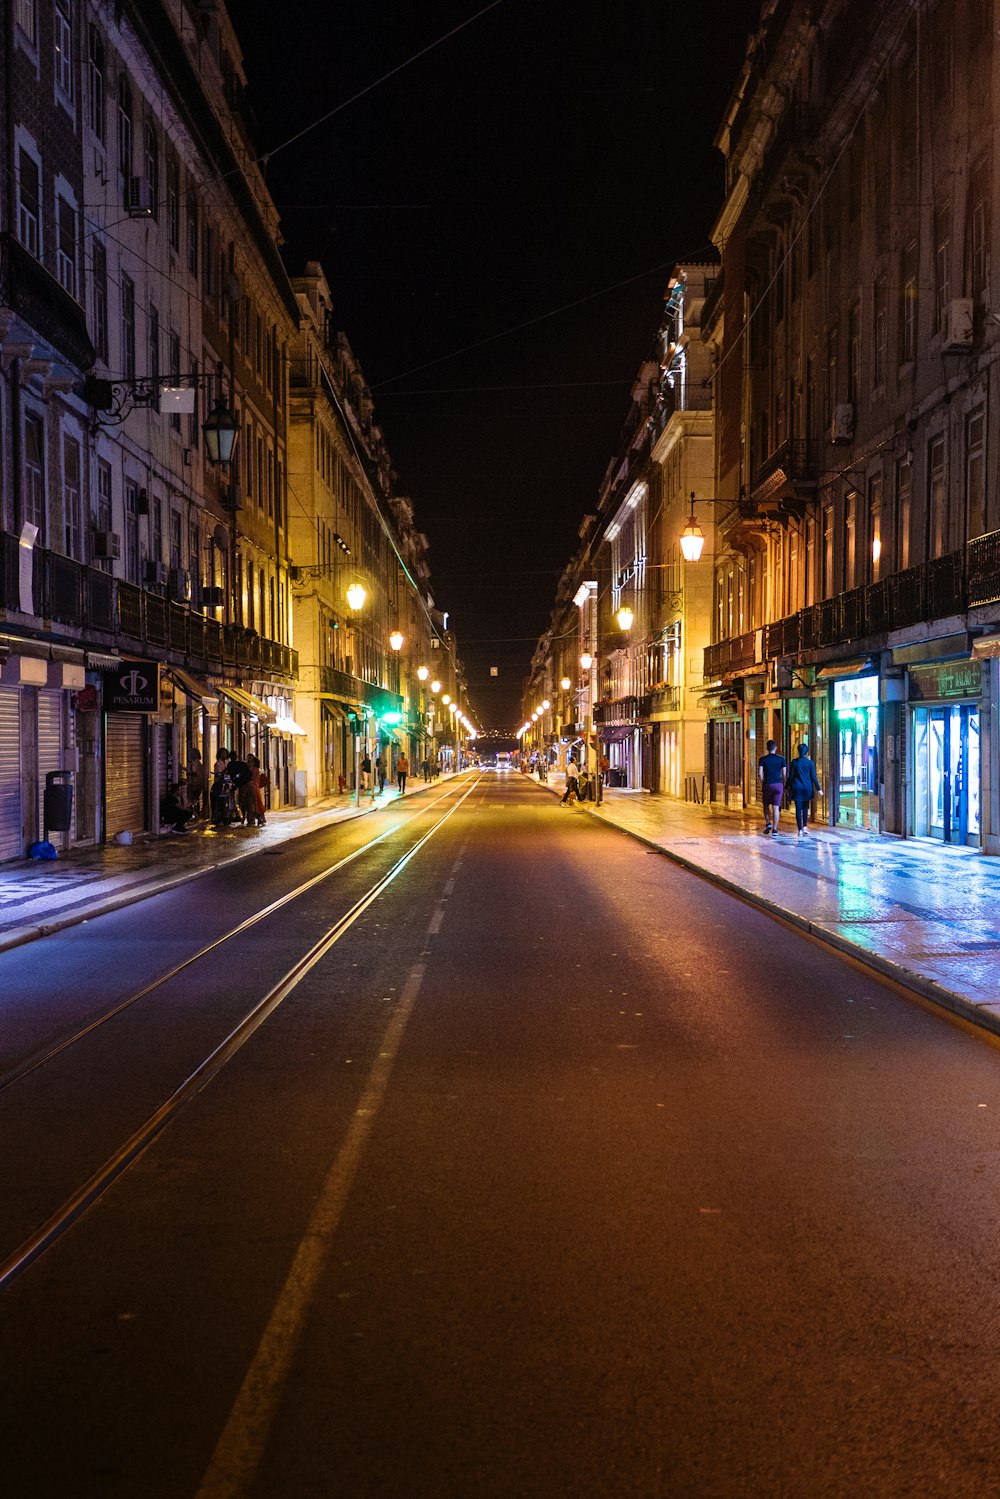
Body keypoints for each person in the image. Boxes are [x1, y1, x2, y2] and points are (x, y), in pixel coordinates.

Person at [787, 741, 822, 837]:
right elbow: (813, 777)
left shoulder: (794, 762)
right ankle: (805, 826)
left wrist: (787, 786)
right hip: (807, 788)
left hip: (797, 788)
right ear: (807, 753)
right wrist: (819, 789)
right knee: (806, 807)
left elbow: (791, 777)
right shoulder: (810, 763)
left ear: (798, 752)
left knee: (798, 809)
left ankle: (800, 829)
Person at [757, 738, 788, 836]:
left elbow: (760, 774)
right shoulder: (781, 759)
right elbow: (784, 774)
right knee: (776, 808)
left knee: (766, 805)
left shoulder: (763, 759)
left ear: (767, 748)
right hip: (778, 785)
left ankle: (768, 823)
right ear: (776, 748)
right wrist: (783, 783)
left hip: (767, 784)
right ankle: (775, 830)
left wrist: (763, 782)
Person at [227, 751, 254, 826]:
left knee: (243, 802)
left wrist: (233, 786)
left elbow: (232, 777)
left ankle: (243, 820)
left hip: (243, 785)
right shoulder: (242, 764)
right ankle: (250, 821)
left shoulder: (230, 765)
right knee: (249, 802)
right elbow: (249, 773)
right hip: (250, 783)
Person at [211, 748, 231, 825]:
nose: (224, 755)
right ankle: (218, 817)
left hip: (226, 785)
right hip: (219, 785)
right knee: (220, 802)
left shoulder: (226, 763)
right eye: (222, 753)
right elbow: (219, 774)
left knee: (226, 802)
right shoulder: (218, 764)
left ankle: (225, 817)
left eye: (225, 753)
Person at [186, 748, 206, 818]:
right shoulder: (193, 763)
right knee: (193, 799)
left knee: (194, 799)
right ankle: (194, 813)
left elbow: (196, 774)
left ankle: (195, 813)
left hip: (196, 784)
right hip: (193, 784)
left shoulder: (197, 764)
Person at [249, 754, 267, 826]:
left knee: (256, 804)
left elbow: (252, 777)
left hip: (254, 788)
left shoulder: (254, 769)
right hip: (256, 787)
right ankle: (262, 818)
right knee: (258, 803)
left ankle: (260, 818)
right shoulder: (256, 769)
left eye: (251, 760)